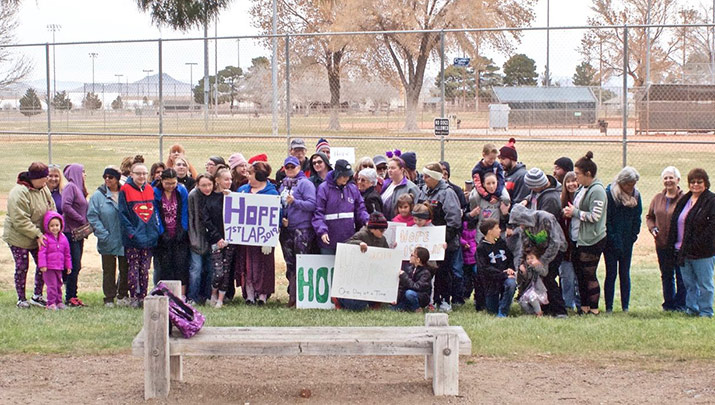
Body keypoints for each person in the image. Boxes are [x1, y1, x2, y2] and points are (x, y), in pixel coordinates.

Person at [4, 162, 55, 308]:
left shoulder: (43, 189)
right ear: (35, 178)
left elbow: (51, 207)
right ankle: (21, 298)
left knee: (42, 265)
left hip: (38, 235)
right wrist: (38, 234)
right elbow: (20, 220)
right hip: (18, 237)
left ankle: (37, 295)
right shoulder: (19, 193)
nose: (47, 180)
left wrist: (52, 225)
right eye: (44, 177)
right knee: (22, 266)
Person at [562, 151, 607, 315]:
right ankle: (584, 307)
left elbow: (595, 216)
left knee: (589, 275)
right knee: (580, 275)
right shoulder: (583, 188)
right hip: (579, 239)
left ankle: (593, 309)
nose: (576, 178)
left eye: (578, 174)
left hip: (592, 240)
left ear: (588, 174)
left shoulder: (597, 191)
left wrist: (575, 212)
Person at [668, 168, 715, 318]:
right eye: (692, 182)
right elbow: (677, 221)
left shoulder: (711, 200)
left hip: (703, 252)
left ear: (706, 183)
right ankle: (692, 308)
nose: (695, 185)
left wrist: (698, 243)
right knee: (689, 284)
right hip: (682, 250)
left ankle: (706, 311)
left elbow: (711, 228)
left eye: (699, 182)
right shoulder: (685, 199)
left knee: (705, 284)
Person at [508, 203, 568, 317]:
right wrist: (522, 263)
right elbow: (524, 246)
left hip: (556, 250)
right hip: (539, 252)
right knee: (540, 280)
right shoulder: (524, 228)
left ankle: (560, 310)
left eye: (520, 222)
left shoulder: (546, 218)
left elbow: (555, 243)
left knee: (549, 278)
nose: (520, 226)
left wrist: (543, 261)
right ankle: (545, 308)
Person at [419, 162, 462, 312]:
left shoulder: (447, 193)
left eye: (427, 176)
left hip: (444, 241)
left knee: (443, 272)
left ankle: (444, 299)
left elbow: (454, 220)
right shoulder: (423, 191)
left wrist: (444, 238)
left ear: (435, 178)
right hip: (426, 239)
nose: (423, 178)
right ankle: (430, 299)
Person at [236, 162, 279, 305]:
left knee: (264, 264)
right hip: (247, 236)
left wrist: (269, 238)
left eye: (250, 173)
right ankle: (249, 293)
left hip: (264, 237)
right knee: (248, 264)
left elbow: (277, 215)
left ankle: (262, 294)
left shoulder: (272, 193)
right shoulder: (243, 190)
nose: (247, 175)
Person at [119, 159, 160, 308]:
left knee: (145, 268)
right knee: (133, 268)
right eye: (138, 174)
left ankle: (143, 295)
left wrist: (155, 230)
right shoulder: (125, 190)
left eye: (144, 173)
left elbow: (153, 211)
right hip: (134, 238)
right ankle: (134, 296)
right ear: (131, 174)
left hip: (149, 237)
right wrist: (132, 233)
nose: (142, 177)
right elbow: (123, 215)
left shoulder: (149, 189)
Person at [87, 166, 129, 307]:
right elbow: (92, 216)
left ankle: (123, 294)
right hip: (108, 237)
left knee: (125, 268)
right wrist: (103, 234)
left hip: (124, 238)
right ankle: (109, 297)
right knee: (109, 269)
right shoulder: (98, 196)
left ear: (117, 179)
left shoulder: (125, 192)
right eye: (105, 177)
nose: (107, 180)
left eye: (110, 177)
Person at [279, 156, 317, 308]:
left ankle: (301, 297)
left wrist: (295, 202)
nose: (289, 170)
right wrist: (283, 217)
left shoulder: (305, 184)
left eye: (292, 167)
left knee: (301, 262)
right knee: (290, 264)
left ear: (299, 168)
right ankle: (292, 295)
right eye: (287, 167)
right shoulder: (282, 185)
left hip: (302, 229)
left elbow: (312, 204)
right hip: (287, 229)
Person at [646, 166, 686, 312]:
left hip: (679, 245)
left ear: (678, 180)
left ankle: (681, 305)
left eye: (671, 178)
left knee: (681, 276)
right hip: (662, 244)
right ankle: (668, 304)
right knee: (666, 275)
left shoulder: (685, 199)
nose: (668, 181)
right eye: (666, 178)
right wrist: (652, 228)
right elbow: (650, 217)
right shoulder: (657, 198)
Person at [604, 166, 642, 313]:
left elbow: (637, 218)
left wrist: (633, 236)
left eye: (633, 184)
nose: (631, 188)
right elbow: (607, 220)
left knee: (625, 273)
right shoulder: (610, 195)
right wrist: (614, 240)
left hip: (627, 241)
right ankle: (609, 307)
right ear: (621, 182)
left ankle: (625, 306)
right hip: (611, 242)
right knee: (611, 273)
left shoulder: (636, 195)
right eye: (628, 184)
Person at [312, 159, 369, 255]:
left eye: (348, 175)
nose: (346, 178)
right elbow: (318, 212)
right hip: (329, 240)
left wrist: (366, 220)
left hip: (349, 239)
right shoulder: (324, 188)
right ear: (337, 174)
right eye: (343, 176)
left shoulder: (352, 188)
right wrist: (322, 231)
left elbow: (360, 208)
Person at [339, 211, 390, 310]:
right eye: (381, 230)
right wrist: (359, 243)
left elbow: (387, 252)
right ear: (373, 229)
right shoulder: (362, 234)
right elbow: (347, 243)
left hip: (373, 269)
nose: (383, 232)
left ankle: (374, 301)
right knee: (358, 305)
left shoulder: (382, 239)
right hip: (359, 269)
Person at [201, 167, 237, 308]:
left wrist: (231, 196)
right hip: (216, 241)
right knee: (218, 271)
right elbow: (207, 221)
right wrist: (217, 238)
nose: (229, 182)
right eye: (226, 179)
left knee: (227, 271)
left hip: (230, 240)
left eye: (230, 179)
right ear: (217, 180)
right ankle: (213, 294)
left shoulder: (232, 196)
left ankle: (221, 299)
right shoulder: (209, 199)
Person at [153, 168, 190, 297]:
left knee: (180, 265)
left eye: (173, 183)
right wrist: (162, 232)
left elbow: (185, 209)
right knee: (165, 266)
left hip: (178, 234)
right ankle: (165, 294)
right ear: (161, 181)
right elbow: (155, 212)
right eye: (167, 183)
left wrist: (183, 229)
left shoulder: (182, 191)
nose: (171, 186)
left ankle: (181, 295)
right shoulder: (156, 192)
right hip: (163, 235)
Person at [61, 163, 89, 307]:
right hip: (70, 232)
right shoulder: (70, 187)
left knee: (77, 264)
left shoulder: (79, 188)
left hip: (79, 233)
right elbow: (65, 206)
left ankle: (73, 295)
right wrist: (80, 218)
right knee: (74, 264)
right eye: (83, 171)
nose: (85, 174)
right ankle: (70, 296)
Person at [476, 218, 516, 317]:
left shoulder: (501, 243)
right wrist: (502, 274)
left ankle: (503, 311)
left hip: (506, 277)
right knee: (492, 310)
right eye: (497, 228)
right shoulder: (481, 248)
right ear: (490, 231)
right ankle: (495, 306)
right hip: (491, 282)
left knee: (511, 284)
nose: (499, 230)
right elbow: (484, 269)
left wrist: (510, 269)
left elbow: (510, 257)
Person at [187, 173, 214, 305]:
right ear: (198, 185)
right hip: (196, 238)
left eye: (209, 184)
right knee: (196, 269)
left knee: (210, 269)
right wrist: (193, 239)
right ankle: (192, 296)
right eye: (203, 185)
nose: (207, 188)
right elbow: (190, 218)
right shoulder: (193, 196)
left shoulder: (214, 195)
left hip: (211, 238)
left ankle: (206, 296)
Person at [37, 211, 72, 310]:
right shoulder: (45, 238)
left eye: (57, 225)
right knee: (51, 285)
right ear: (47, 226)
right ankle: (51, 303)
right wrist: (42, 265)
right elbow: (41, 253)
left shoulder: (63, 239)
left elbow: (67, 254)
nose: (55, 228)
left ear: (61, 225)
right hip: (49, 268)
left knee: (58, 284)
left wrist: (68, 266)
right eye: (52, 225)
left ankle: (59, 301)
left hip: (59, 266)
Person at [468, 172, 511, 241]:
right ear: (483, 185)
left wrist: (505, 213)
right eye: (488, 184)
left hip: (497, 235)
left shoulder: (501, 198)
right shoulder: (478, 198)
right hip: (481, 236)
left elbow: (507, 199)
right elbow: (469, 216)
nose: (491, 186)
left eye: (494, 183)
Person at [559, 171, 580, 311]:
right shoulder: (561, 201)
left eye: (574, 181)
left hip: (579, 244)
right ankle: (567, 304)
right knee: (566, 276)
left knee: (579, 277)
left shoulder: (582, 200)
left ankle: (579, 303)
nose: (571, 184)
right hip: (565, 247)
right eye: (568, 181)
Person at [393, 246, 434, 312]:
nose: (410, 256)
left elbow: (417, 287)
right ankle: (409, 307)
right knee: (393, 308)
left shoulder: (426, 273)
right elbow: (402, 286)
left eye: (412, 255)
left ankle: (417, 308)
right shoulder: (409, 269)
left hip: (420, 297)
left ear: (418, 259)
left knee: (409, 293)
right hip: (406, 297)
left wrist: (404, 277)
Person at [517, 247, 549, 317]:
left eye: (532, 258)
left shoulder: (540, 265)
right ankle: (532, 314)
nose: (530, 260)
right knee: (523, 303)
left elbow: (544, 273)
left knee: (532, 297)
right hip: (528, 290)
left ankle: (539, 313)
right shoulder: (527, 267)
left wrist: (537, 266)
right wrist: (524, 272)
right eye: (527, 259)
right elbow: (526, 279)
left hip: (539, 290)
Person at [498, 138, 530, 205]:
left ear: (512, 159)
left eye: (503, 159)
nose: (500, 162)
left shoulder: (522, 176)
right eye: (499, 159)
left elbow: (520, 203)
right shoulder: (504, 173)